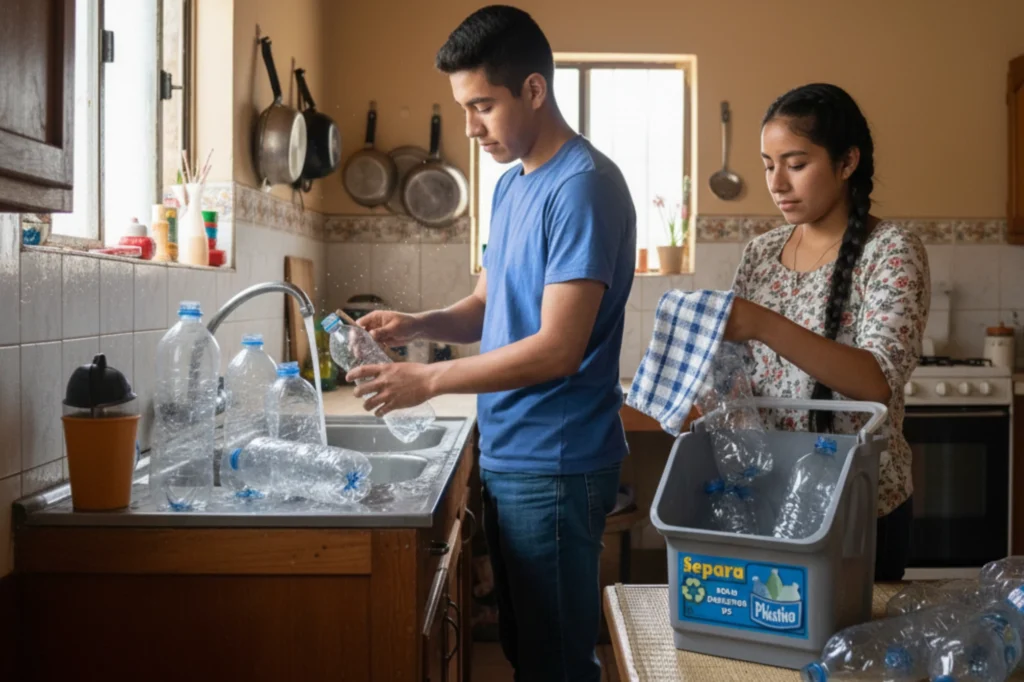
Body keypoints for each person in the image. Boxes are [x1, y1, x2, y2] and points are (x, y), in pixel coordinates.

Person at [346, 6, 637, 680]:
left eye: (483, 106)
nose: (471, 127)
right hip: (512, 451)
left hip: (558, 461)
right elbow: (486, 306)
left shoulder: (583, 186)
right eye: (463, 107)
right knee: (526, 649)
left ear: (534, 90)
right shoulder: (511, 187)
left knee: (557, 662)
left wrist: (429, 382)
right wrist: (416, 325)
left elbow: (558, 348)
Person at [725, 83, 930, 580]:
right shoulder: (759, 252)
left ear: (847, 163)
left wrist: (761, 322)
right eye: (768, 164)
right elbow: (739, 370)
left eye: (795, 164)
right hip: (771, 497)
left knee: (849, 651)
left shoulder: (891, 251)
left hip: (861, 505)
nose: (777, 182)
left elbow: (876, 380)